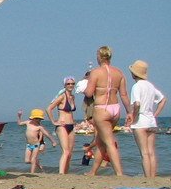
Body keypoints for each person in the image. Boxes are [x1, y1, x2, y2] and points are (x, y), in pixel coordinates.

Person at [85, 46, 130, 176]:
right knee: (101, 142)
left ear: (99, 56)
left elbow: (89, 93)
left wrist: (85, 87)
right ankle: (93, 172)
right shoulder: (119, 73)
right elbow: (124, 95)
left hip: (102, 108)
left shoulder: (96, 72)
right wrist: (129, 112)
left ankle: (119, 173)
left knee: (109, 142)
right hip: (115, 108)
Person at [128, 60, 166, 177]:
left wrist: (133, 117)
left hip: (141, 122)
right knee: (151, 152)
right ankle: (153, 177)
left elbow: (137, 104)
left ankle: (147, 177)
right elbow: (163, 99)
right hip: (151, 121)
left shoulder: (136, 86)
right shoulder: (150, 85)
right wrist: (155, 114)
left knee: (144, 153)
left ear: (134, 74)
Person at [47, 76, 78, 174]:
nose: (70, 85)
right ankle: (61, 174)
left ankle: (66, 173)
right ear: (64, 85)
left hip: (71, 126)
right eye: (68, 84)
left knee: (70, 153)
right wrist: (53, 121)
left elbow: (70, 112)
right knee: (66, 151)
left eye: (72, 84)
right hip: (62, 126)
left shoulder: (72, 97)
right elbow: (49, 108)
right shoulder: (62, 96)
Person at [16, 109, 57, 174]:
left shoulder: (39, 127)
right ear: (33, 118)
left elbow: (47, 134)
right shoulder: (28, 122)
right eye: (37, 118)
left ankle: (32, 173)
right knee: (27, 161)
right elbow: (19, 123)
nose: (38, 120)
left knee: (33, 159)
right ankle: (36, 162)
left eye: (40, 119)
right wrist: (19, 116)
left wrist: (53, 141)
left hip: (36, 145)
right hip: (28, 145)